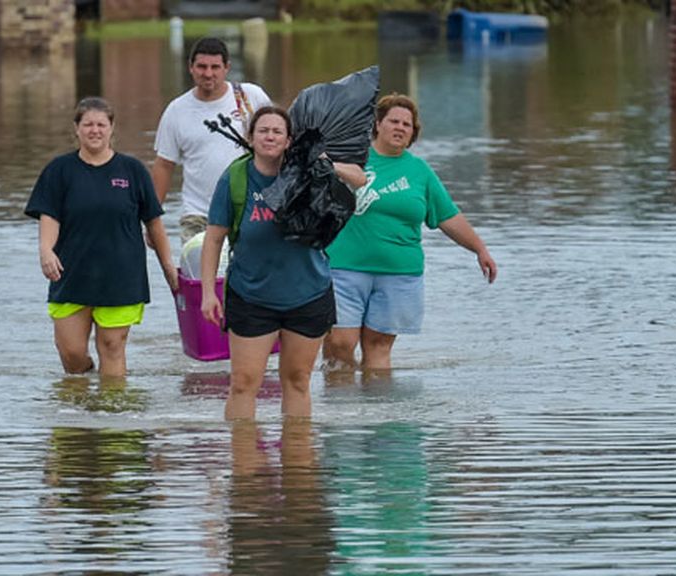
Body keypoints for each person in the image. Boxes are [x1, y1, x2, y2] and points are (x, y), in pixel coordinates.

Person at [200, 106, 366, 420]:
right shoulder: (235, 178)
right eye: (263, 130)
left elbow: (359, 179)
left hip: (308, 293)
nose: (270, 136)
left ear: (289, 140)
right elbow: (213, 238)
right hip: (251, 295)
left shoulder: (308, 171)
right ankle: (244, 462)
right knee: (243, 383)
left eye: (278, 131)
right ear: (251, 137)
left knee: (298, 381)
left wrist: (324, 161)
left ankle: (297, 463)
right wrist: (208, 292)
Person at [323, 93, 497, 372]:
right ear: (378, 124)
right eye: (394, 121)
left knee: (378, 348)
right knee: (340, 345)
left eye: (408, 124)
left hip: (399, 273)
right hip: (344, 269)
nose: (401, 128)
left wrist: (480, 249)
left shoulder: (419, 171)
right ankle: (344, 413)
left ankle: (379, 411)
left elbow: (447, 216)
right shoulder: (351, 160)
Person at [25, 97, 179, 377]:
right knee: (71, 352)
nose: (94, 130)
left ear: (111, 128)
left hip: (121, 274)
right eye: (88, 124)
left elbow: (154, 223)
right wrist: (46, 250)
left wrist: (168, 266)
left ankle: (113, 413)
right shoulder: (59, 171)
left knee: (112, 346)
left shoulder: (132, 171)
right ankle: (81, 402)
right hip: (72, 273)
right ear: (76, 129)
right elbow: (50, 217)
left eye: (101, 124)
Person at [153, 36, 272, 246]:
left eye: (215, 67)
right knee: (199, 277)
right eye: (201, 67)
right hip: (197, 216)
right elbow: (164, 165)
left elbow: (277, 144)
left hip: (247, 210)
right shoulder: (176, 110)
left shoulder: (250, 97)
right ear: (190, 67)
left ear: (227, 67)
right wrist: (152, 221)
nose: (208, 74)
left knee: (244, 277)